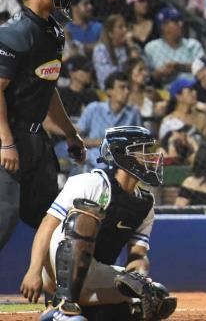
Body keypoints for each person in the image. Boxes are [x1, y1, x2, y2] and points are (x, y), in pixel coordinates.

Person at [20, 126, 176, 321]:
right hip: (56, 269)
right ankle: (64, 306)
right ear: (123, 155)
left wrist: (138, 281)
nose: (152, 157)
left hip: (94, 271)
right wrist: (33, 270)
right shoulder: (91, 182)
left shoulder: (145, 204)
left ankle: (58, 314)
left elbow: (138, 255)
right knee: (86, 215)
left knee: (156, 296)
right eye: (143, 150)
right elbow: (47, 226)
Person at [0, 0, 86, 253]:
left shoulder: (54, 32)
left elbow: (47, 87)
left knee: (52, 218)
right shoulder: (14, 34)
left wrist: (70, 133)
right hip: (10, 138)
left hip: (37, 141)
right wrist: (6, 142)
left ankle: (60, 291)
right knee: (4, 218)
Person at [77, 72, 141, 171]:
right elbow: (77, 138)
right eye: (122, 87)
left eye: (128, 88)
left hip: (121, 164)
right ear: (109, 91)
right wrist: (102, 142)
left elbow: (138, 143)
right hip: (93, 163)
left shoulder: (134, 113)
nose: (127, 91)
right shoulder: (94, 108)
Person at [144, 8, 206, 83]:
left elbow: (204, 69)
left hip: (194, 90)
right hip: (164, 92)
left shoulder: (193, 44)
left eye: (180, 21)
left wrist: (179, 67)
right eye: (176, 22)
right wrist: (159, 74)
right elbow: (145, 77)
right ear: (164, 26)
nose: (181, 24)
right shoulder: (151, 48)